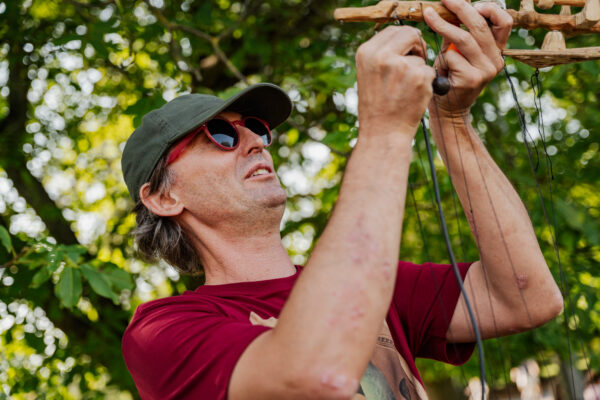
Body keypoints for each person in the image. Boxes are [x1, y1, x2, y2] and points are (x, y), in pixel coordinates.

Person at [120, 0, 563, 398]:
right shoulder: (165, 331)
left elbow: (527, 297)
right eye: (220, 135)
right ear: (164, 197)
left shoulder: (372, 282)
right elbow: (316, 376)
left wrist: (452, 119)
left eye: (256, 127)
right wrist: (385, 130)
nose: (255, 141)